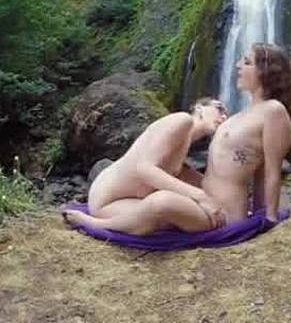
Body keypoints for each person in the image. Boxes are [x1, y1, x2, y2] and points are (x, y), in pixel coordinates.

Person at [64, 43, 291, 236]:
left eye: (246, 62)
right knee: (161, 200)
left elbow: (269, 172)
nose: (238, 65)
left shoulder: (274, 111)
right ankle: (111, 215)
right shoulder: (240, 116)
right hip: (205, 204)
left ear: (266, 71)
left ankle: (96, 224)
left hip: (224, 214)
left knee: (161, 201)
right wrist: (199, 194)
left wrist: (267, 217)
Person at [66, 97, 229, 233]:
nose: (223, 117)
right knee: (165, 207)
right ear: (199, 108)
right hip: (108, 200)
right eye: (219, 109)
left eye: (226, 115)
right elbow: (144, 169)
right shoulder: (182, 120)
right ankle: (96, 224)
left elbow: (188, 177)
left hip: (128, 202)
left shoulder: (186, 140)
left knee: (182, 215)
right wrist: (201, 197)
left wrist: (221, 198)